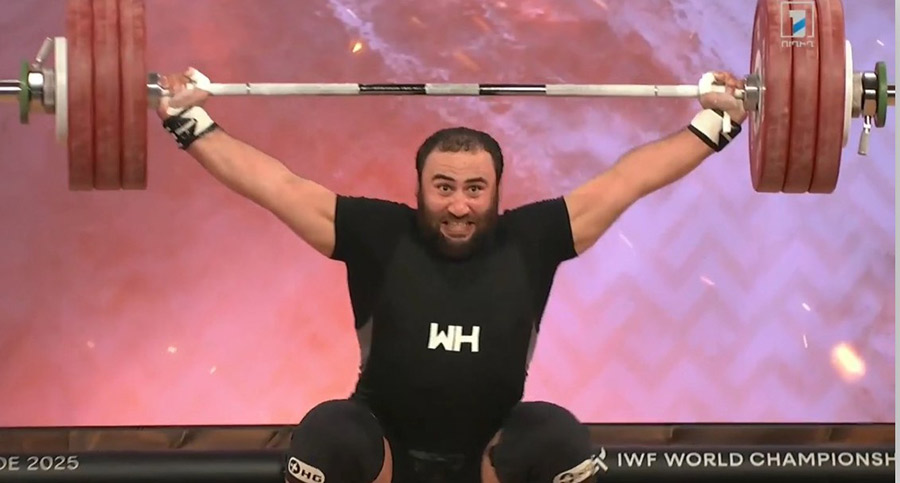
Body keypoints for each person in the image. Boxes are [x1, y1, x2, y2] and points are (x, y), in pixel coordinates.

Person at [157, 68, 747, 483]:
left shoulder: (533, 238)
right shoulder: (377, 232)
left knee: (558, 438)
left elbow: (629, 179)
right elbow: (276, 186)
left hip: (491, 457)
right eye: (443, 187)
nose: (458, 205)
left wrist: (716, 124)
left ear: (496, 191)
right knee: (328, 433)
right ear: (419, 189)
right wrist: (190, 121)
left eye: (474, 188)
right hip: (383, 452)